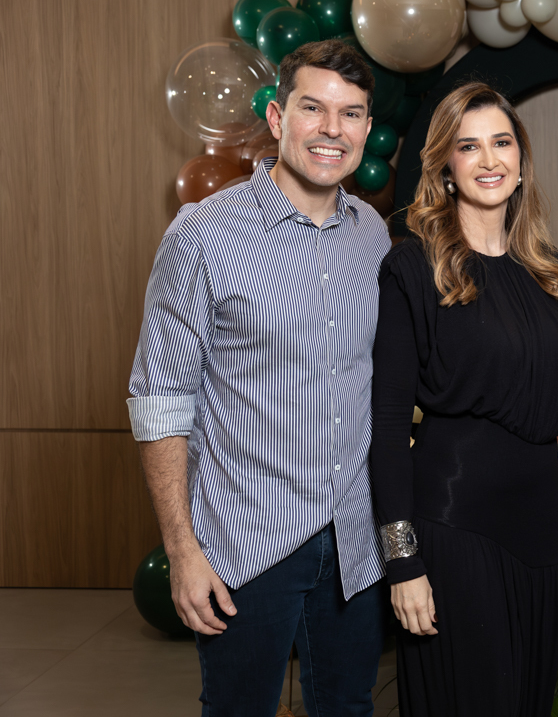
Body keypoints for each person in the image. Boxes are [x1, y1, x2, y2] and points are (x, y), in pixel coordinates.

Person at [128, 39, 390, 715]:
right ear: (276, 118)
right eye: (313, 108)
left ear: (366, 128)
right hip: (248, 541)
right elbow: (160, 400)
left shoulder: (374, 235)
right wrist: (182, 551)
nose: (332, 129)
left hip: (356, 542)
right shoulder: (202, 234)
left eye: (351, 114)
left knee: (349, 707)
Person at [369, 82, 558, 716]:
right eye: (469, 147)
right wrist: (403, 563)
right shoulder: (413, 268)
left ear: (521, 160)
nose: (490, 160)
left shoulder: (543, 268)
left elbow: (548, 395)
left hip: (540, 531)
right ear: (446, 165)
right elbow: (387, 424)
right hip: (454, 526)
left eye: (502, 143)